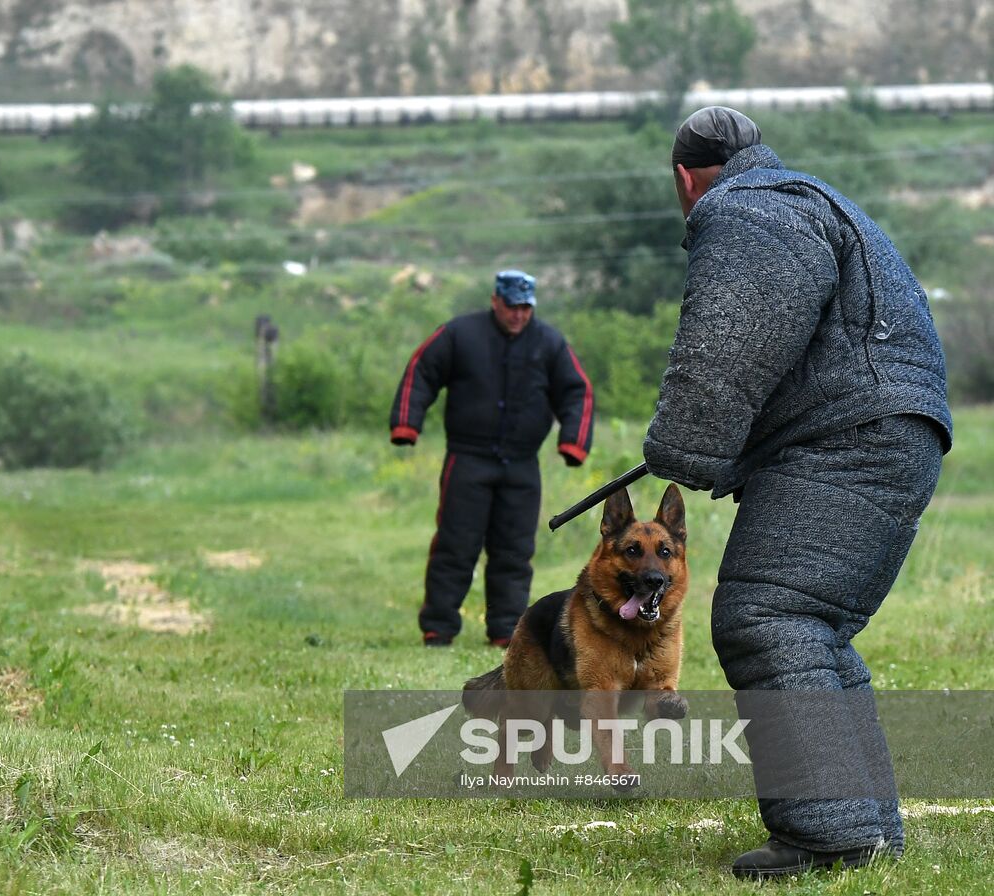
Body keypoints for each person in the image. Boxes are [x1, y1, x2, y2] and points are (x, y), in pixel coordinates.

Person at [644, 107, 951, 878]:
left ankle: (828, 835)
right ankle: (863, 830)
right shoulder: (805, 196)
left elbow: (733, 333)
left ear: (685, 178)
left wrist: (684, 445)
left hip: (851, 436)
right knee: (812, 625)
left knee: (768, 616)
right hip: (895, 430)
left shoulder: (748, 210)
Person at [390, 270, 594, 647]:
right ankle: (438, 627)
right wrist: (407, 423)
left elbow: (577, 392)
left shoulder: (549, 343)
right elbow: (421, 371)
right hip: (467, 460)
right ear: (495, 301)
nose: (518, 315)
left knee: (514, 551)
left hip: (522, 465)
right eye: (511, 306)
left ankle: (506, 630)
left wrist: (573, 442)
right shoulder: (459, 334)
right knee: (455, 545)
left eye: (525, 308)